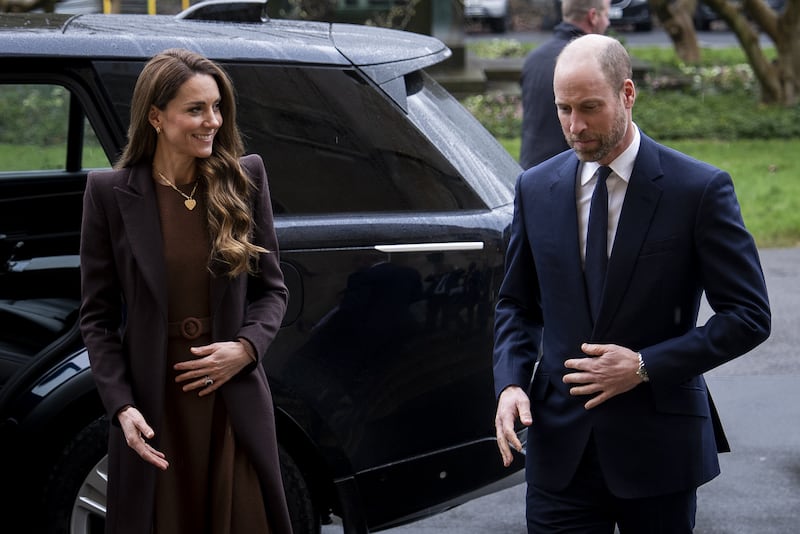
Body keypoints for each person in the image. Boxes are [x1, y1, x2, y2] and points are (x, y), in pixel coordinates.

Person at [493, 34, 771, 533]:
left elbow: (749, 316)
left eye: (590, 108)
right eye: (563, 109)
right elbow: (516, 303)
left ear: (627, 93)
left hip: (659, 451)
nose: (575, 126)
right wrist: (511, 382)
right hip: (560, 454)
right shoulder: (535, 188)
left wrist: (644, 365)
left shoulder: (698, 190)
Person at [79, 48, 293, 534]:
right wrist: (122, 406)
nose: (212, 121)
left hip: (231, 399)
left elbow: (272, 291)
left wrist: (245, 349)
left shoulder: (245, 178)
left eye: (217, 107)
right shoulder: (109, 194)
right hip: (155, 406)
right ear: (156, 115)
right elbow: (97, 318)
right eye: (195, 109)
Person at [519, 0, 610, 170]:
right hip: (566, 177)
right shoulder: (591, 62)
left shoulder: (535, 58)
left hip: (530, 170)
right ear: (593, 17)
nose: (608, 22)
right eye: (606, 14)